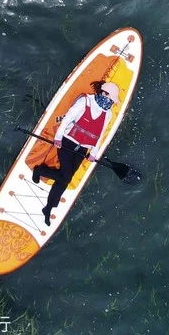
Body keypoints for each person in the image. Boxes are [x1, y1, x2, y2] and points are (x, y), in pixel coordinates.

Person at [32, 80, 120, 226]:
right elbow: (67, 120)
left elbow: (100, 133)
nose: (110, 102)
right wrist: (58, 137)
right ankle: (40, 171)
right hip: (68, 141)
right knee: (66, 177)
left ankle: (48, 207)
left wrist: (94, 152)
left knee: (65, 179)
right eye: (110, 98)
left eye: (112, 100)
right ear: (103, 93)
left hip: (83, 148)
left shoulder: (108, 114)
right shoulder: (85, 102)